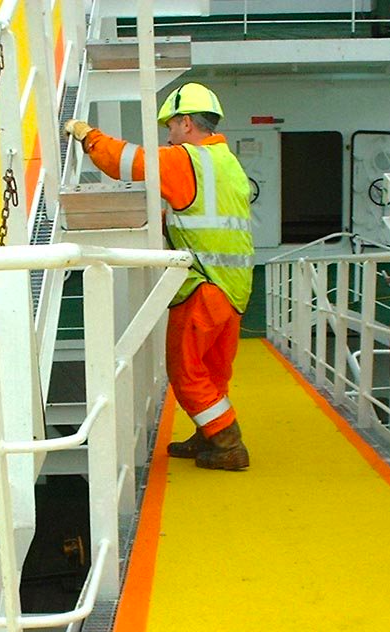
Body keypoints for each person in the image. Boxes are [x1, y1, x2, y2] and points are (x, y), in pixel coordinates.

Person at [64, 82, 254, 471]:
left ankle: (228, 442)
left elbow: (126, 161)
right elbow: (206, 215)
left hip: (204, 284)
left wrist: (88, 136)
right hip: (235, 287)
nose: (168, 135)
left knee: (185, 372)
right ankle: (208, 435)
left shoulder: (186, 159)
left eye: (170, 126)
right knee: (213, 372)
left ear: (187, 123)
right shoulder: (226, 162)